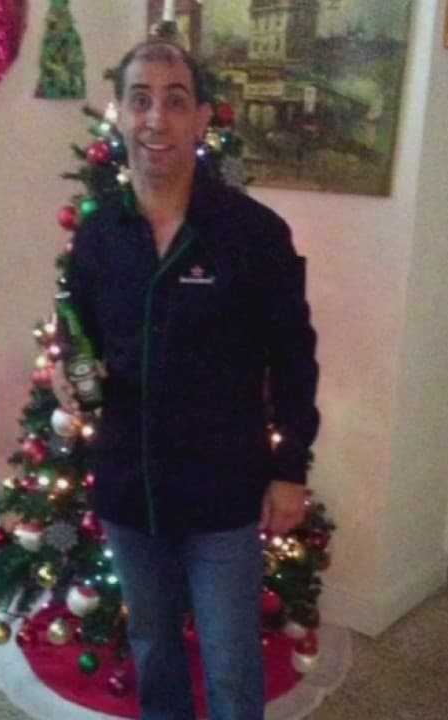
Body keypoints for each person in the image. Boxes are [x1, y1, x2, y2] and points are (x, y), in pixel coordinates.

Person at [55, 38, 320, 720]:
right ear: (119, 113)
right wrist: (67, 373)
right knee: (153, 648)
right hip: (129, 485)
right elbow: (78, 333)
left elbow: (295, 358)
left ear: (202, 116)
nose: (156, 119)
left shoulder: (254, 234)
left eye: (175, 101)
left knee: (230, 663)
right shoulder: (98, 235)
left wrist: (289, 470)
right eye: (140, 100)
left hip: (222, 493)